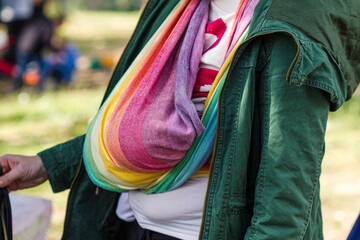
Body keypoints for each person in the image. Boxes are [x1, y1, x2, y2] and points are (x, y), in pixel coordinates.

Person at [0, 0, 359, 239]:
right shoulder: (180, 7)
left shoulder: (292, 24)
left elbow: (285, 201)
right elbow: (145, 123)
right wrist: (49, 164)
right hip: (131, 223)